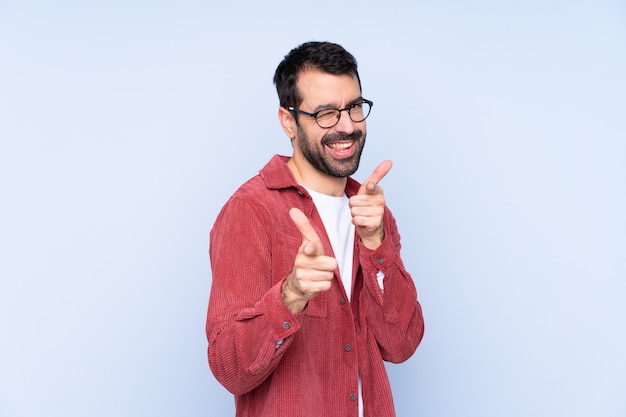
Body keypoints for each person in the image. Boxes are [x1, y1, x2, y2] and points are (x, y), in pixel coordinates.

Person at [206, 41, 424, 417]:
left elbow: (401, 345)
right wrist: (291, 295)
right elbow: (229, 369)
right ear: (288, 121)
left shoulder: (372, 213)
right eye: (326, 113)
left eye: (355, 107)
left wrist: (377, 244)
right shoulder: (251, 210)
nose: (346, 126)